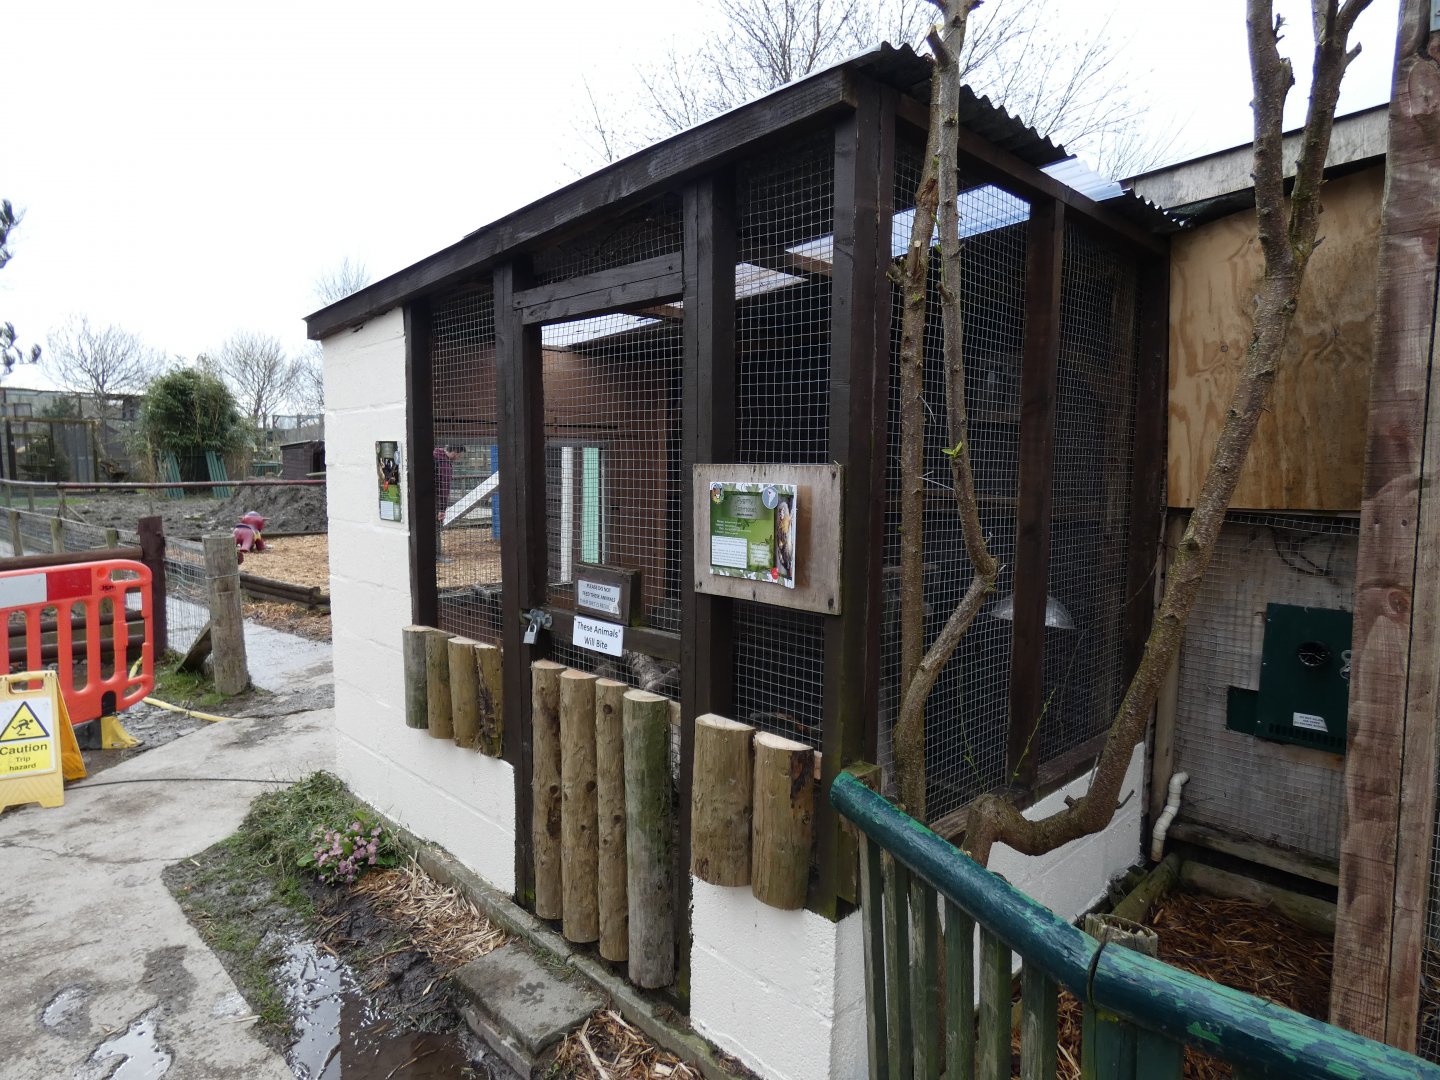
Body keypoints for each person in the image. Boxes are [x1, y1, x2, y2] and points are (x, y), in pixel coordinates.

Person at [433, 444, 463, 562]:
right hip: (436, 499)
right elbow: (444, 489)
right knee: (436, 528)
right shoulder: (444, 463)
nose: (459, 458)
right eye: (459, 455)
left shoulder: (434, 454)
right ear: (454, 451)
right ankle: (437, 555)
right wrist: (442, 509)